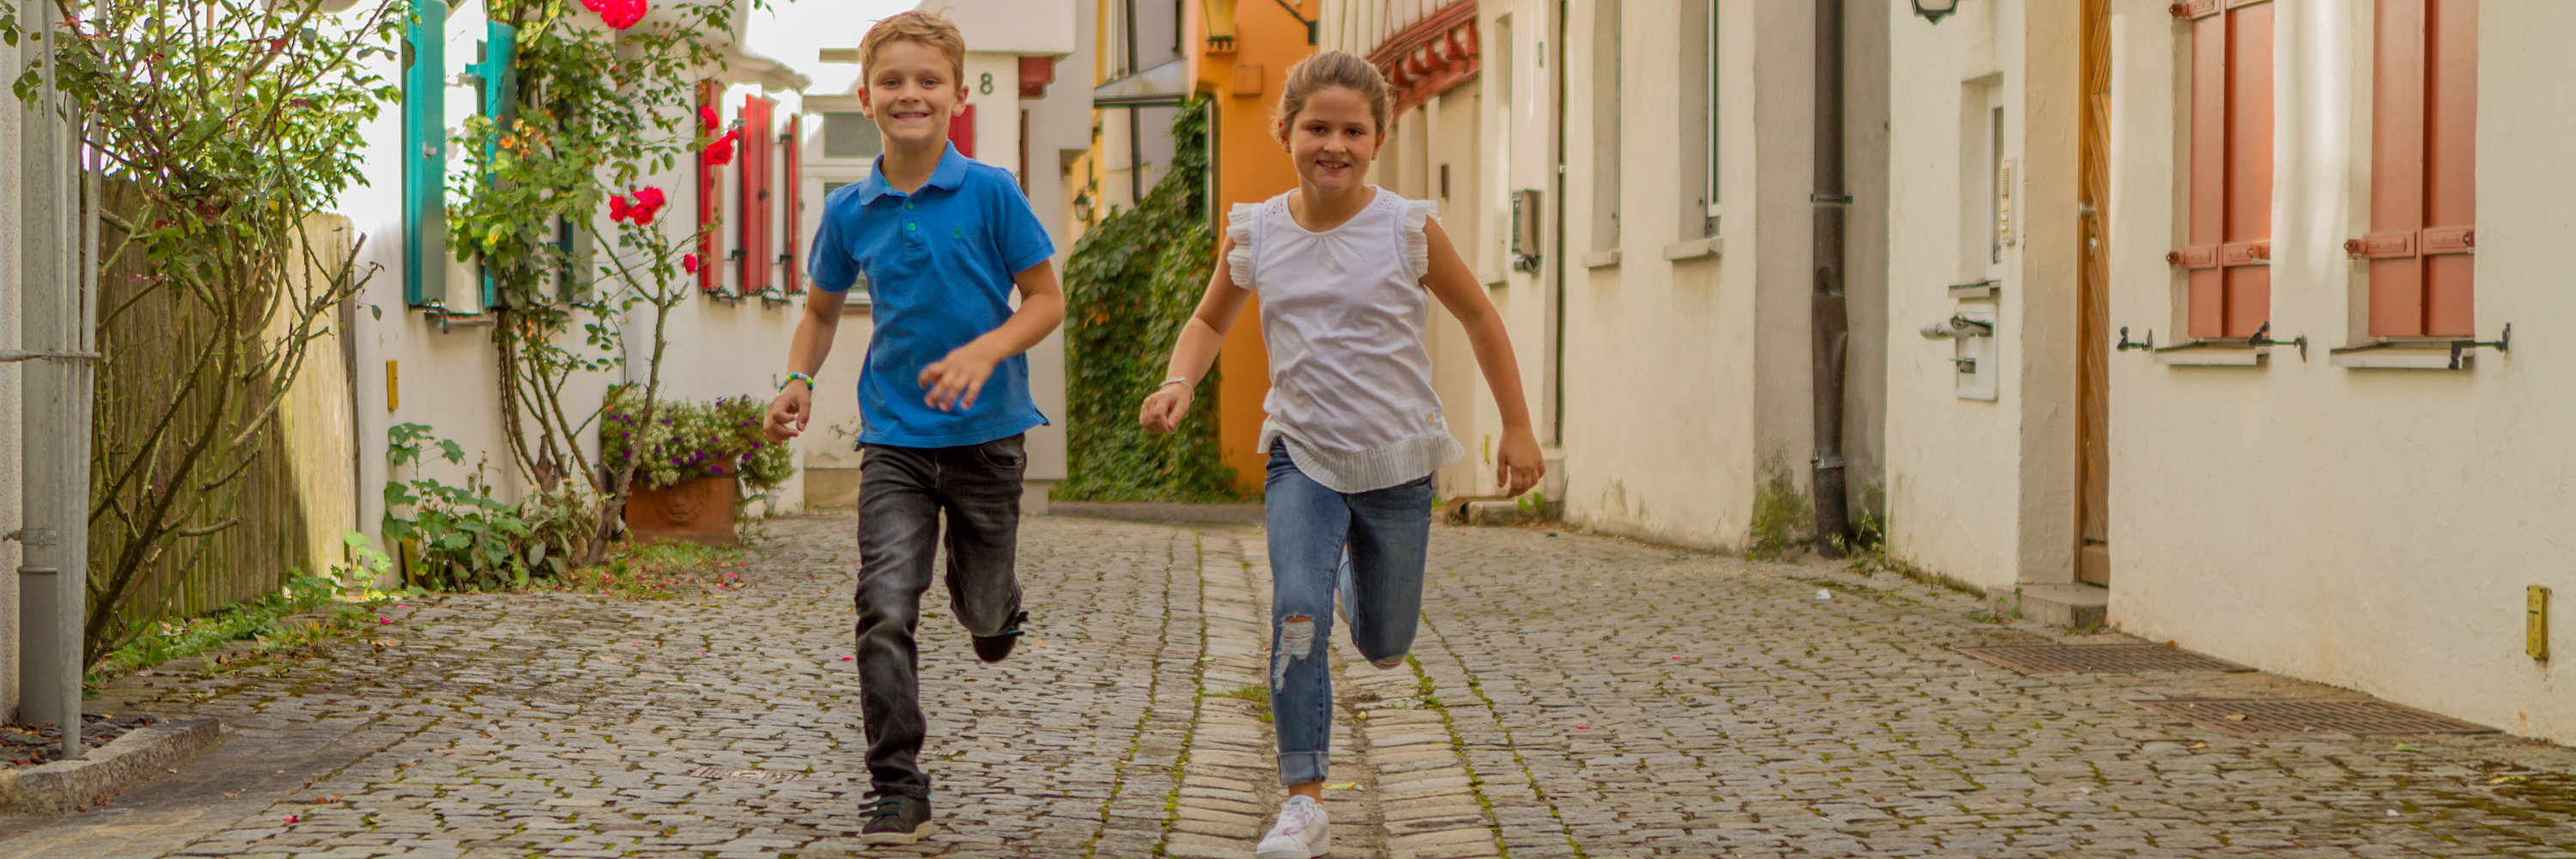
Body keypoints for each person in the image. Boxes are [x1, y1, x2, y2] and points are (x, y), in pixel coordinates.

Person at [1137, 51, 1544, 859]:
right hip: (1304, 454)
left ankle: (1355, 583)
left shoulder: (1406, 227)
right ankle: (1303, 801)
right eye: (1317, 127)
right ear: (1285, 130)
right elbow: (1210, 320)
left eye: (1353, 131)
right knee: (1296, 613)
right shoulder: (1258, 230)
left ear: (1379, 138)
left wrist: (1521, 429)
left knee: (1386, 644)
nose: (1334, 145)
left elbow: (1482, 322)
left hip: (1398, 461)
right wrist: (1180, 380)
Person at [761, 9, 1065, 846]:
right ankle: (898, 783)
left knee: (979, 611)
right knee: (884, 606)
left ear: (958, 95)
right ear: (865, 96)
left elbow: (1045, 300)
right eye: (892, 80)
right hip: (894, 437)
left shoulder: (993, 193)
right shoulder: (852, 209)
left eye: (928, 80)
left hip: (990, 434)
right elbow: (820, 312)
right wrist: (796, 378)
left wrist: (985, 350)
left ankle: (995, 606)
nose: (910, 93)